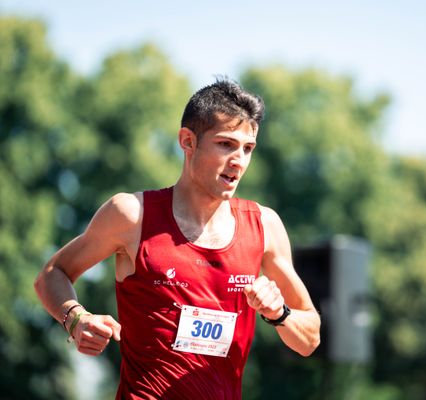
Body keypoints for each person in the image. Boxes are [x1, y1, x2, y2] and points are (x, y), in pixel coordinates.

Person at [34, 78, 321, 399]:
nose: (239, 160)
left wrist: (279, 313)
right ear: (188, 141)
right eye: (226, 144)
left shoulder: (264, 225)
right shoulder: (132, 215)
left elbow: (310, 338)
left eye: (248, 148)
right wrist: (76, 318)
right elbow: (51, 274)